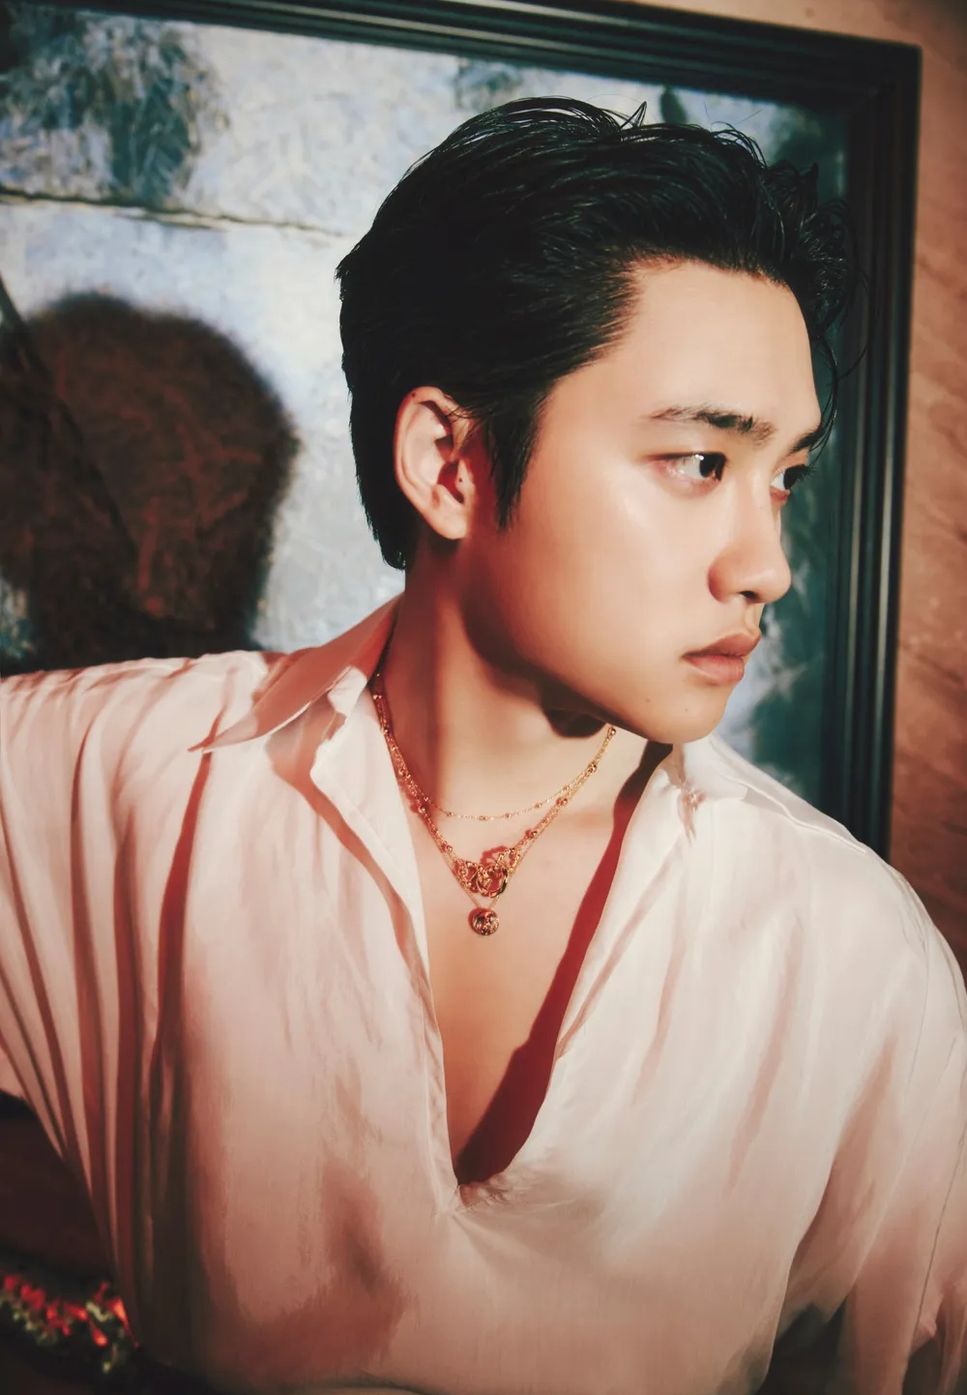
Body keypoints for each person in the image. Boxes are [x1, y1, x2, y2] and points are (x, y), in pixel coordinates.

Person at [0, 96, 964, 1395]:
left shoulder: (849, 956)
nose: (767, 565)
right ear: (449, 465)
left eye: (783, 475)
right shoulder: (134, 779)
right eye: (698, 462)